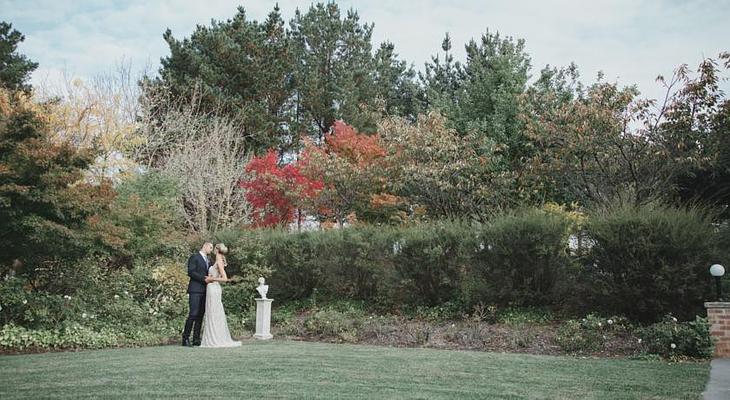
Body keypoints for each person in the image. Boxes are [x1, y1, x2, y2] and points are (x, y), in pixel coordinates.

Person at [200, 243, 242, 348]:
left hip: (214, 288)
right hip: (211, 288)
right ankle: (212, 337)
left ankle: (216, 338)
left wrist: (211, 279)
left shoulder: (219, 261)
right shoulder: (217, 261)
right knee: (212, 312)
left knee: (215, 312)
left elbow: (224, 278)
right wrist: (210, 276)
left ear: (216, 249)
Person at [182, 242, 214, 347]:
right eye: (210, 247)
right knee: (193, 313)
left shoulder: (208, 261)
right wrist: (204, 279)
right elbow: (190, 272)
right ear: (205, 246)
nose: (211, 250)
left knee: (200, 315)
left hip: (205, 291)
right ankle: (185, 338)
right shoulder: (194, 257)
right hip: (195, 290)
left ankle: (196, 339)